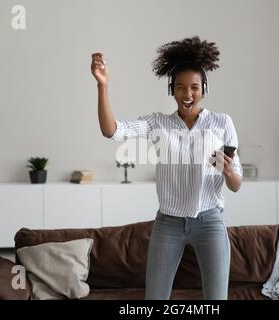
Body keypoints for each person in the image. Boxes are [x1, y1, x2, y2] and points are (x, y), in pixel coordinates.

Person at [91, 36, 242, 300]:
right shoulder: (158, 123)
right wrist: (103, 86)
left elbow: (236, 184)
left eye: (194, 87)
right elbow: (112, 131)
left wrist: (228, 172)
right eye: (181, 87)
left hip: (210, 221)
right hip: (168, 224)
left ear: (204, 88)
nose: (188, 94)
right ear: (172, 90)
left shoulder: (221, 122)